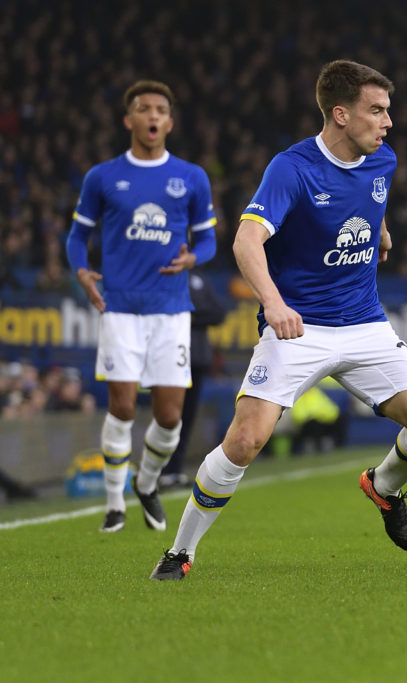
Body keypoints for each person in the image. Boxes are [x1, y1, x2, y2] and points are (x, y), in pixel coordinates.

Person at [150, 59, 407, 581]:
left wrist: (378, 233)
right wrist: (273, 303)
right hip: (298, 327)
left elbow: (362, 206)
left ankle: (383, 487)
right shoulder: (291, 169)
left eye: (388, 111)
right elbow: (247, 240)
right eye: (376, 111)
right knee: (244, 441)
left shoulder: (383, 161)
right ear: (340, 114)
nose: (387, 123)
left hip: (364, 324)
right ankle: (179, 554)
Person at [66, 80, 217, 533]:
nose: (152, 116)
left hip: (171, 310)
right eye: (143, 108)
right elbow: (78, 237)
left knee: (170, 416)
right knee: (125, 406)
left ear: (169, 123)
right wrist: (80, 271)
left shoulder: (191, 177)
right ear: (129, 119)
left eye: (160, 110)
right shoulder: (103, 177)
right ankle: (114, 502)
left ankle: (146, 483)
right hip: (121, 308)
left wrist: (193, 256)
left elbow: (208, 239)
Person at [158, 268, 227, 489]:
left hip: (197, 358)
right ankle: (159, 471)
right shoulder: (162, 273)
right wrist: (194, 313)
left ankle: (174, 471)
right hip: (169, 357)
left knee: (187, 418)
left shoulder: (198, 277)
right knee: (168, 416)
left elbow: (219, 312)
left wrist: (187, 313)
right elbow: (162, 309)